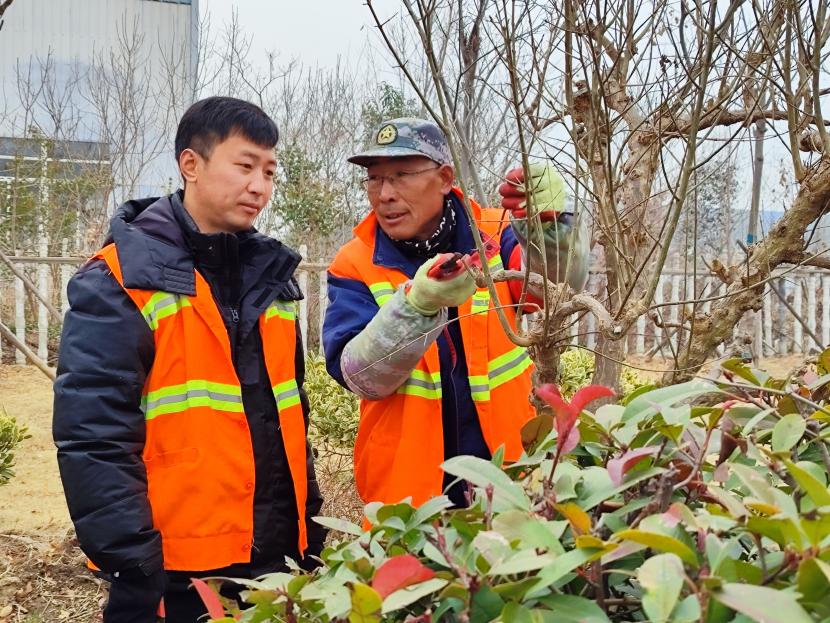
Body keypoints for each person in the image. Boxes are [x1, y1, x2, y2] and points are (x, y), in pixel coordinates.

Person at [53, 96, 325, 623]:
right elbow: (93, 437)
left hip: (274, 561)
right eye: (245, 165)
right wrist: (134, 565)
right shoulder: (120, 279)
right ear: (191, 164)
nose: (259, 186)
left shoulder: (274, 282)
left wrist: (308, 534)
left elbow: (292, 419)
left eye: (270, 172)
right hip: (171, 569)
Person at [322, 117, 589, 509]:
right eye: (375, 179)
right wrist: (416, 307)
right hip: (407, 496)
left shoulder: (495, 233)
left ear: (445, 178)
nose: (385, 194)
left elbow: (557, 285)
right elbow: (360, 377)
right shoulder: (355, 263)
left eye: (401, 176)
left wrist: (549, 230)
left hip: (510, 477)